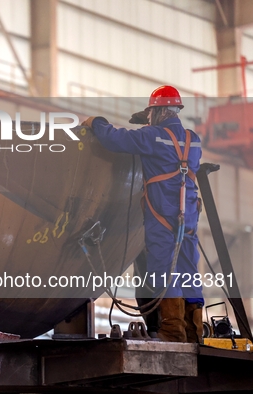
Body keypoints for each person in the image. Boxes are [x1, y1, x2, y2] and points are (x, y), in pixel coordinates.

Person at [82, 85, 204, 343]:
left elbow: (115, 139)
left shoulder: (151, 136)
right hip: (189, 218)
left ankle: (172, 331)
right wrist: (150, 121)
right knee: (188, 271)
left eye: (151, 113)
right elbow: (171, 141)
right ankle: (195, 332)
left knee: (164, 271)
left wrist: (97, 122)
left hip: (163, 216)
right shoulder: (194, 139)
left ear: (158, 112)